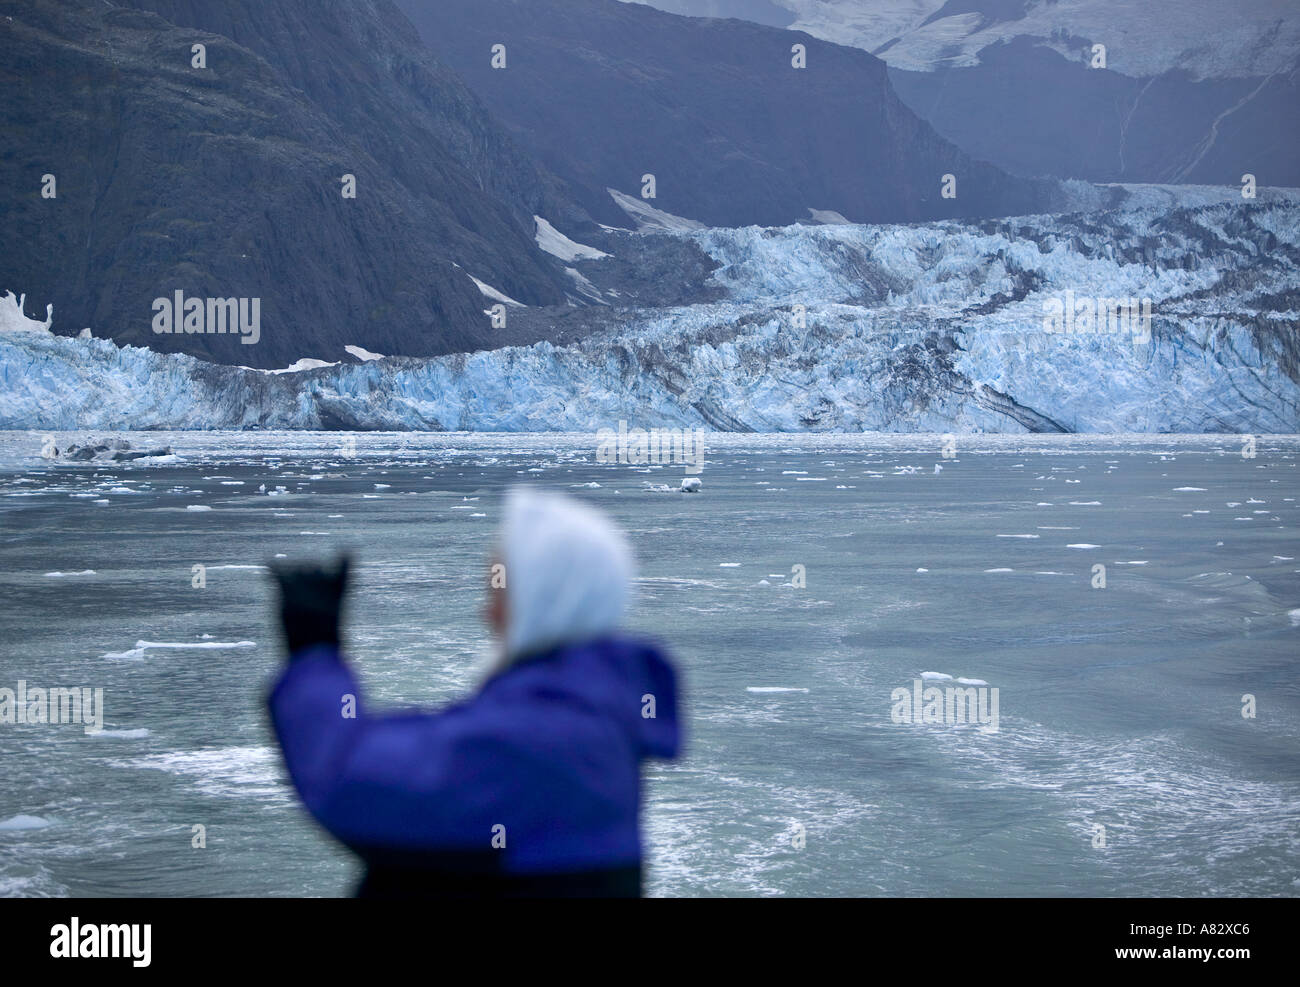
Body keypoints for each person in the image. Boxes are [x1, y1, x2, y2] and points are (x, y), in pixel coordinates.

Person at [266, 486, 681, 897]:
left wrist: (314, 658)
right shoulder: (586, 714)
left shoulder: (543, 737)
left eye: (499, 594)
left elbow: (352, 786)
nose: (485, 613)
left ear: (548, 602)